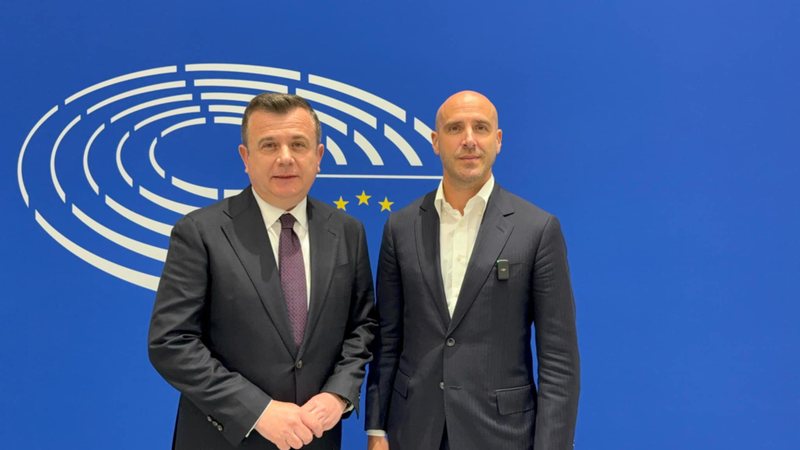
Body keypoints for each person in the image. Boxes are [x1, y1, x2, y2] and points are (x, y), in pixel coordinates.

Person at [149, 93, 376, 450]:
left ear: (318, 156)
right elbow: (171, 342)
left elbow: (362, 327)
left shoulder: (348, 232)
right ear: (246, 157)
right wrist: (257, 410)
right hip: (222, 439)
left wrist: (339, 394)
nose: (285, 157)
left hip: (316, 438)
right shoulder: (200, 233)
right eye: (269, 145)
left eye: (298, 144)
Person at [365, 91, 580, 450]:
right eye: (455, 128)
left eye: (480, 128)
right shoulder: (400, 227)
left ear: (498, 140)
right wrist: (376, 429)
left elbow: (559, 360)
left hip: (502, 435)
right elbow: (388, 339)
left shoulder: (537, 229)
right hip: (413, 432)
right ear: (436, 142)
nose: (469, 140)